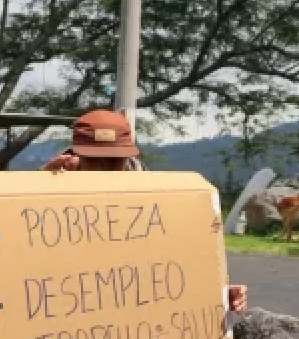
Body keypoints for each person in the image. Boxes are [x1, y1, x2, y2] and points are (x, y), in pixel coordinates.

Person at [42, 110, 247, 313]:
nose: (103, 168)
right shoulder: (47, 194)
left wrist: (216, 293)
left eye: (113, 161)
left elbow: (175, 263)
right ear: (75, 156)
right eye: (94, 160)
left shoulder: (152, 204)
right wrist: (43, 186)